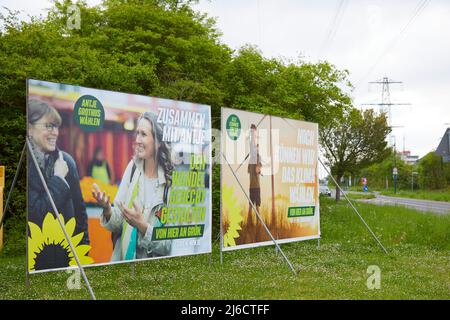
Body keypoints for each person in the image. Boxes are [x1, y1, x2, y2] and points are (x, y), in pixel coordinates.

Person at [92, 111, 173, 261]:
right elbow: (119, 221)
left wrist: (142, 226)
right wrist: (107, 208)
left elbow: (169, 245)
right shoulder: (133, 168)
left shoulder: (171, 183)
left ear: (158, 142)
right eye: (137, 133)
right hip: (123, 266)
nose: (137, 140)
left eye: (143, 134)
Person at [28, 100, 90, 247]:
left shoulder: (67, 162)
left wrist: (83, 251)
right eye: (49, 126)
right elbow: (36, 217)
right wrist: (58, 179)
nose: (55, 132)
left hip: (67, 255)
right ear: (29, 129)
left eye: (56, 126)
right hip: (35, 256)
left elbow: (80, 215)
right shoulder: (25, 165)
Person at [247, 124, 262, 232]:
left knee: (254, 207)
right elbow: (252, 146)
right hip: (255, 187)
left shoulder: (256, 159)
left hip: (254, 187)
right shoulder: (253, 158)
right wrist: (253, 133)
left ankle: (257, 224)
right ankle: (253, 224)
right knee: (254, 207)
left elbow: (256, 169)